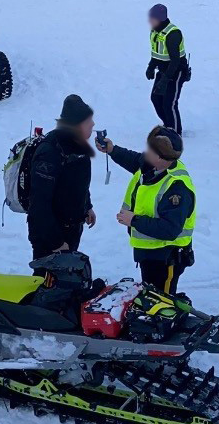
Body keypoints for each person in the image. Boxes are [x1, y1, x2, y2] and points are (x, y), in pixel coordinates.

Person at [97, 127, 195, 295]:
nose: (145, 151)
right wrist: (112, 150)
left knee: (161, 303)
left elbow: (170, 229)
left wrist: (133, 220)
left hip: (166, 258)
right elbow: (135, 160)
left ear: (159, 157)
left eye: (149, 149)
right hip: (151, 254)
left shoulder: (177, 188)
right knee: (150, 299)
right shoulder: (155, 166)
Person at [26, 95, 97, 263]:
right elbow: (38, 204)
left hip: (71, 229)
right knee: (49, 285)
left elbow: (77, 183)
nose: (93, 125)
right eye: (88, 121)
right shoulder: (49, 152)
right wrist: (55, 242)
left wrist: (87, 206)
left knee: (68, 283)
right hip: (49, 236)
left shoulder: (78, 146)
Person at [146, 3, 190, 134]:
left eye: (152, 18)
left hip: (177, 71)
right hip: (164, 70)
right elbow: (156, 52)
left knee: (169, 103)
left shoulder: (173, 34)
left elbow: (175, 61)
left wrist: (165, 80)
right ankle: (168, 126)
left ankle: (175, 133)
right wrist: (151, 67)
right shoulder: (155, 32)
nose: (149, 21)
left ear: (160, 19)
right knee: (156, 98)